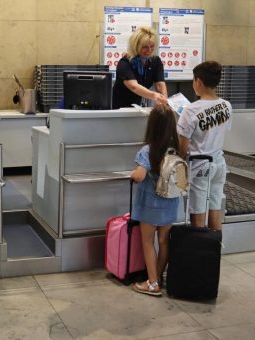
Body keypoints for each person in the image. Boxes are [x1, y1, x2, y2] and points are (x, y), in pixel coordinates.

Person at [130, 104, 181, 296]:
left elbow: (140, 175)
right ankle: (158, 277)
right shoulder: (175, 149)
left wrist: (133, 174)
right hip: (170, 202)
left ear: (152, 126)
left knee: (148, 241)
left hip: (151, 205)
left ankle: (151, 284)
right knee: (164, 241)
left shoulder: (148, 150)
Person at [177, 61, 232, 231]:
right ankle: (214, 254)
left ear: (198, 81)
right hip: (219, 164)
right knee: (215, 209)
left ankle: (199, 255)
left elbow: (183, 147)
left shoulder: (191, 110)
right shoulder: (226, 105)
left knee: (198, 215)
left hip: (200, 166)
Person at [112, 26, 168, 109]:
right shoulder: (125, 63)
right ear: (136, 46)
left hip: (138, 106)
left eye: (152, 46)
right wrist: (154, 95)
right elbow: (134, 87)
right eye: (145, 47)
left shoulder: (155, 61)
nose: (149, 50)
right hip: (120, 107)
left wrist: (164, 101)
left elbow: (160, 85)